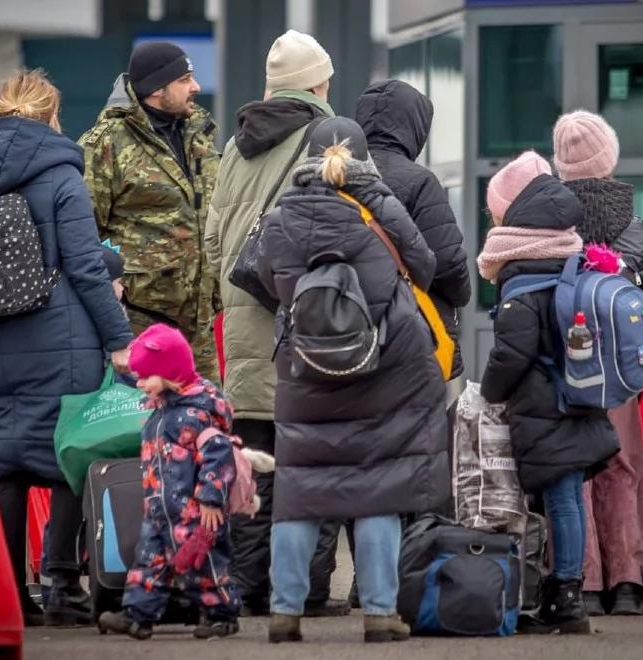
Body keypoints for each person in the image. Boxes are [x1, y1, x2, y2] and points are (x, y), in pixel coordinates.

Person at [255, 118, 448, 644]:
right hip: (380, 367)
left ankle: (284, 612)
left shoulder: (281, 216)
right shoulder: (379, 206)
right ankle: (381, 613)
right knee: (377, 488)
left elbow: (267, 280)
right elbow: (425, 267)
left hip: (305, 367)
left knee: (299, 490)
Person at [0, 69, 133, 627]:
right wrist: (119, 340)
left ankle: (11, 594)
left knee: (5, 462)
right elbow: (83, 265)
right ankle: (62, 584)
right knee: (69, 450)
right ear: (50, 115)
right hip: (59, 334)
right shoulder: (62, 175)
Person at [203, 29, 350, 618]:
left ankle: (248, 588)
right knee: (312, 464)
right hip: (304, 327)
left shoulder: (236, 147)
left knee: (255, 462)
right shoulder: (328, 137)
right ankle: (309, 590)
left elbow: (214, 245)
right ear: (317, 82)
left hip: (244, 329)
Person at [478, 152, 619, 635]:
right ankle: (566, 595)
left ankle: (567, 600)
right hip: (578, 393)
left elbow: (512, 351)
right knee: (570, 497)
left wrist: (487, 392)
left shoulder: (524, 274)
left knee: (561, 499)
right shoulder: (568, 258)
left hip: (545, 404)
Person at [551, 110, 643, 616]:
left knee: (575, 465)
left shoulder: (548, 215)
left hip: (565, 363)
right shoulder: (630, 222)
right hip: (619, 369)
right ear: (608, 159)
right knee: (623, 464)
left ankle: (583, 580)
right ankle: (629, 582)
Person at [80, 41, 221, 379]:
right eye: (185, 79)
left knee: (207, 422)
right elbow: (82, 235)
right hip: (142, 327)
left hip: (201, 325)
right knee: (148, 427)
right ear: (158, 89)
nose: (196, 88)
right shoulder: (106, 145)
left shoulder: (198, 136)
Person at [97, 324, 241, 640]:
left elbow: (218, 456)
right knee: (147, 563)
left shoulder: (197, 412)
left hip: (195, 510)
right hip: (160, 510)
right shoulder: (160, 412)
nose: (139, 383)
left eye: (145, 376)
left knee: (205, 566)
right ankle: (138, 615)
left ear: (169, 373)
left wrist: (210, 497)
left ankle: (221, 613)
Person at [355, 79, 472, 388]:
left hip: (346, 332)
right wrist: (461, 294)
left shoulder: (336, 174)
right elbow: (447, 259)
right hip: (410, 338)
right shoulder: (420, 182)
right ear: (415, 127)